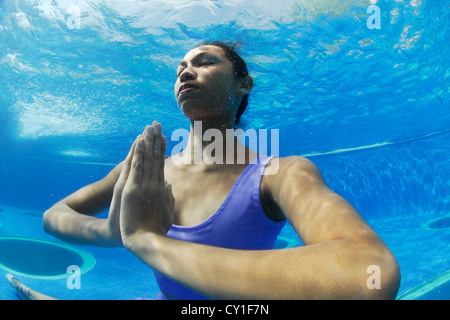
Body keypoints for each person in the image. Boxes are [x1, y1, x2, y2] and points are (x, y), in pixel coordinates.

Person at [39, 41, 400, 300]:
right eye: (180, 69)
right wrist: (109, 233)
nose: (186, 72)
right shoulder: (146, 169)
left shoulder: (280, 174)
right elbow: (54, 215)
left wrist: (145, 240)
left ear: (244, 85)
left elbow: (370, 271)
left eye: (205, 62)